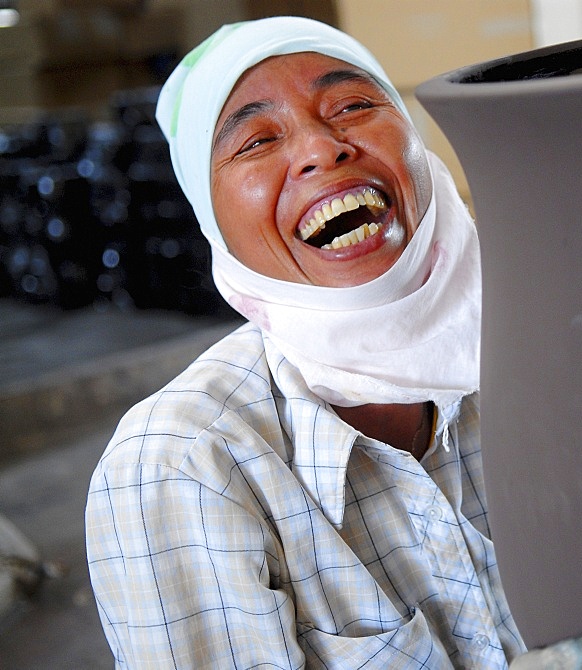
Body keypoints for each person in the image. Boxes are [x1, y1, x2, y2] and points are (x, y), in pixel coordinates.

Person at [84, 16, 528, 668]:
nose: (323, 149)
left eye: (351, 105)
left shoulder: (548, 341)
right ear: (215, 227)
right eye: (256, 141)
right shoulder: (183, 465)